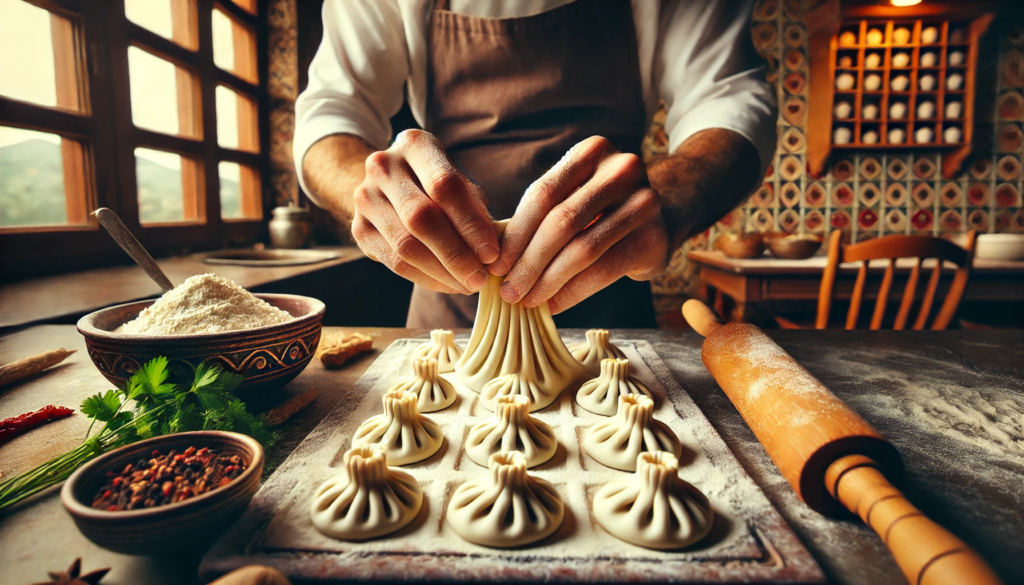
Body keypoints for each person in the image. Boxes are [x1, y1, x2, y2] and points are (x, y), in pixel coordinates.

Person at [295, 0, 776, 328]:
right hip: (449, 305)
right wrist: (371, 187)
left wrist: (666, 203)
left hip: (609, 299)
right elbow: (333, 108)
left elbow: (727, 95)